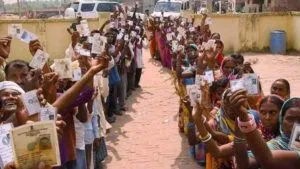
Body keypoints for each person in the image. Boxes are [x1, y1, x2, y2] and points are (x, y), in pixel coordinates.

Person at [233, 94, 300, 169]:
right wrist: (241, 119)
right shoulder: (273, 145)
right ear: (281, 120)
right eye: (290, 119)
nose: (295, 124)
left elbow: (269, 161)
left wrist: (246, 124)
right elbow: (244, 166)